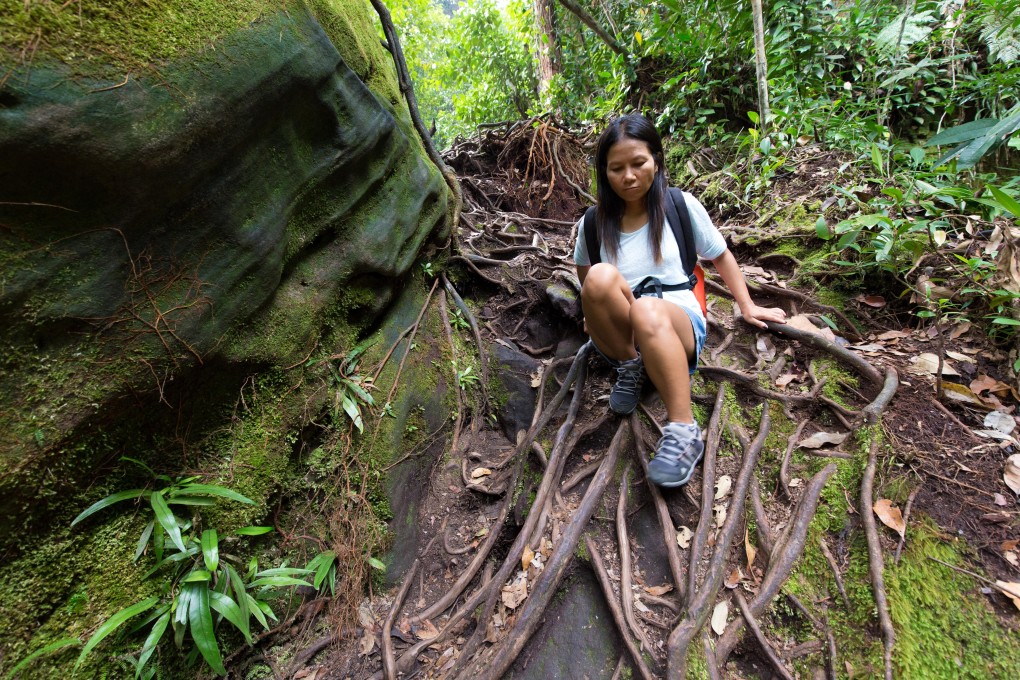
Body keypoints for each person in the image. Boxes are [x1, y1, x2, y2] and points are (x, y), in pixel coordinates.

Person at [574, 114, 786, 488]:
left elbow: (719, 255)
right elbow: (584, 270)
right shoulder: (593, 223)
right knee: (600, 276)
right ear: (603, 172)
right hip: (624, 334)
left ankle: (684, 431)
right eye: (616, 168)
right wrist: (593, 312)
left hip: (674, 320)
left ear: (656, 159)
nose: (628, 176)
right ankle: (631, 367)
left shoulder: (678, 205)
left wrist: (747, 306)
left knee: (646, 308)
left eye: (638, 163)